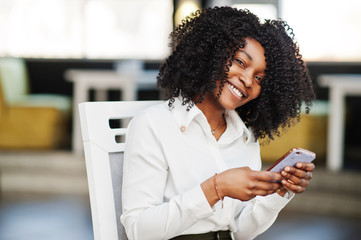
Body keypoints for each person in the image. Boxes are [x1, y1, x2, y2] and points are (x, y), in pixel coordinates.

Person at [121, 6, 315, 240]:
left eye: (259, 78)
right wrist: (216, 188)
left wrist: (278, 191)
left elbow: (240, 232)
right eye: (241, 62)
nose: (247, 80)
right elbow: (138, 231)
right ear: (212, 53)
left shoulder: (245, 140)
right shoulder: (153, 125)